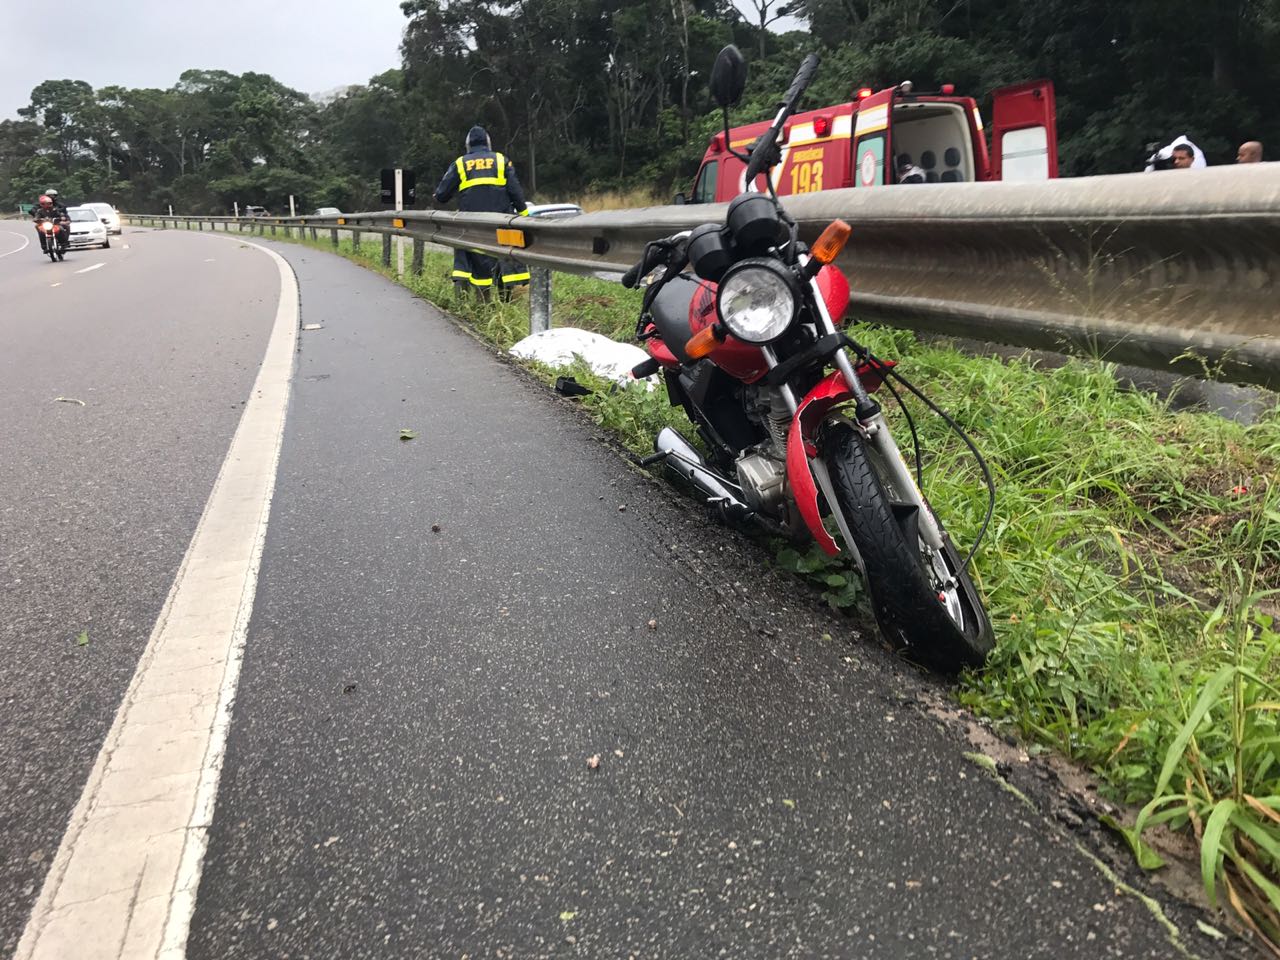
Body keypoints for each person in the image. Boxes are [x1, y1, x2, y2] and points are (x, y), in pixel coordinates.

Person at [433, 125, 530, 298]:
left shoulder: (461, 163)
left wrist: (440, 194)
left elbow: (441, 195)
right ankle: (504, 303)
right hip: (501, 223)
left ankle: (482, 304)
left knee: (478, 265)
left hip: (472, 227)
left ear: (468, 145)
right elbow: (515, 191)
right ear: (488, 142)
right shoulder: (501, 160)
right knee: (504, 260)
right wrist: (524, 216)